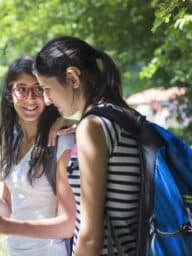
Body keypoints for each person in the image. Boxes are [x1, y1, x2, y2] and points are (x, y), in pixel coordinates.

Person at [33, 36, 141, 256]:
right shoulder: (124, 115)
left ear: (72, 78)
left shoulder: (92, 127)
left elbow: (91, 236)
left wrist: (84, 127)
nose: (47, 100)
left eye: (47, 89)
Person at [0, 56, 75, 256]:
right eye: (21, 89)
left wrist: (5, 227)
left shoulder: (62, 142)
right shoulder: (14, 140)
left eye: (38, 89)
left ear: (47, 93)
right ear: (10, 93)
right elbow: (10, 210)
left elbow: (67, 225)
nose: (30, 98)